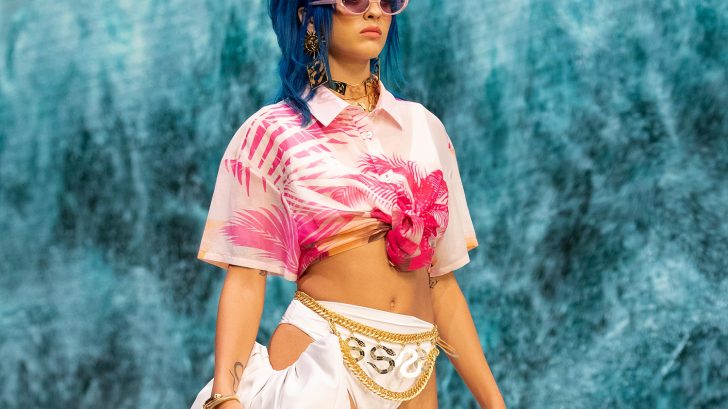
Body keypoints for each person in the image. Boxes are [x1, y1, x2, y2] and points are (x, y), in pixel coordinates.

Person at [190, 0, 506, 408]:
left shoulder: (425, 127)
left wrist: (494, 403)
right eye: (354, 1)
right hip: (320, 362)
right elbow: (247, 277)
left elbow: (441, 282)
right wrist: (224, 396)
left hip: (415, 371)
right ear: (306, 16)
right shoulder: (272, 132)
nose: (374, 12)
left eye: (387, 2)